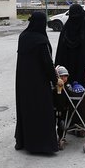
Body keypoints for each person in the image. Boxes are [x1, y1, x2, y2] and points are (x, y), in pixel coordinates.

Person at [14, 11, 62, 154]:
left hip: (23, 82)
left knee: (26, 111)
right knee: (42, 112)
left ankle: (24, 142)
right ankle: (43, 145)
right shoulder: (41, 41)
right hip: (39, 84)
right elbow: (47, 63)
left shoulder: (23, 37)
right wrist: (55, 79)